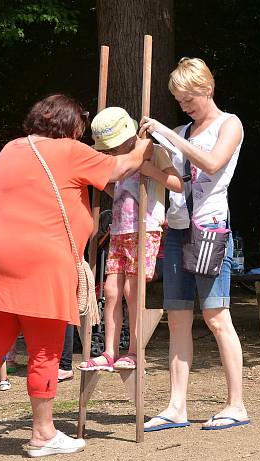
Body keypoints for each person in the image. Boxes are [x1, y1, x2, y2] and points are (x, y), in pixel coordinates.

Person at [0, 94, 152, 461]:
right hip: (40, 258)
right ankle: (43, 434)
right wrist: (145, 142)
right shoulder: (67, 149)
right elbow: (124, 166)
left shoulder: (10, 148)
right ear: (70, 126)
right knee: (45, 349)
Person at [139, 57, 249, 431]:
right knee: (178, 319)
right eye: (179, 100)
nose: (185, 106)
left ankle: (236, 405)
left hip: (211, 229)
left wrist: (169, 138)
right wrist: (149, 162)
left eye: (189, 98)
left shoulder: (228, 124)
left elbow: (214, 164)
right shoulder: (181, 131)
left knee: (216, 317)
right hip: (178, 229)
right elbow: (181, 183)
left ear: (208, 88)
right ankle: (176, 407)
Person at [78, 107, 182, 372]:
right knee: (111, 291)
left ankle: (135, 350)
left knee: (131, 291)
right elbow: (119, 191)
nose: (111, 153)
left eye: (113, 147)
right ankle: (109, 351)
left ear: (128, 136)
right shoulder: (117, 160)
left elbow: (177, 183)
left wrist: (148, 169)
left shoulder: (154, 151)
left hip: (145, 230)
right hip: (119, 231)